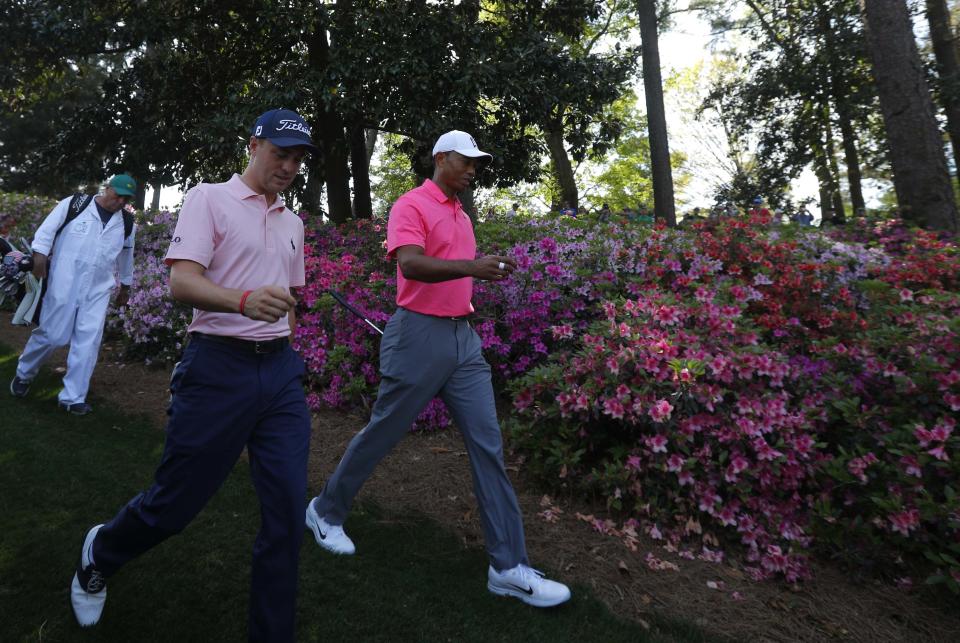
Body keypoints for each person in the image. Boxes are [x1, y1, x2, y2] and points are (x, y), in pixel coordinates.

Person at [69, 108, 316, 642]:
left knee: (288, 514)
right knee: (174, 505)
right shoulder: (210, 198)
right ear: (253, 145)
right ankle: (101, 553)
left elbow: (290, 296)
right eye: (281, 153)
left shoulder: (293, 221)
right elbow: (183, 283)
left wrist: (285, 334)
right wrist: (243, 301)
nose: (289, 166)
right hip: (216, 368)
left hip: (278, 376)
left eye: (298, 158)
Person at [305, 129, 571, 609]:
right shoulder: (412, 205)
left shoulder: (461, 214)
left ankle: (507, 567)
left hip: (461, 341)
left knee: (488, 444)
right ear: (441, 158)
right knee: (383, 432)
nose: (473, 170)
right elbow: (411, 265)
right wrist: (471, 268)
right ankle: (325, 511)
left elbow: (454, 270)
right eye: (466, 161)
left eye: (476, 163)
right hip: (418, 336)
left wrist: (472, 284)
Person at [9, 175, 137, 415]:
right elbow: (46, 231)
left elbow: (126, 257)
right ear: (106, 188)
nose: (120, 201)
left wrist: (126, 286)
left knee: (88, 342)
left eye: (125, 198)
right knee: (52, 336)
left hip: (98, 289)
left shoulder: (128, 223)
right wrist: (39, 259)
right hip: (63, 282)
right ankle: (24, 373)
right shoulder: (75, 204)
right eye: (116, 194)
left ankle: (72, 398)